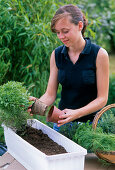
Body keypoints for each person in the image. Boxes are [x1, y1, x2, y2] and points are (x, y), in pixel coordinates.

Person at [28, 4, 109, 132]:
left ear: (80, 26)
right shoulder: (56, 55)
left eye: (65, 31)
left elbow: (102, 99)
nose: (61, 36)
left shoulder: (99, 54)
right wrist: (34, 106)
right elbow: (50, 94)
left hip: (91, 128)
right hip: (62, 123)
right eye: (58, 32)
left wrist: (76, 113)